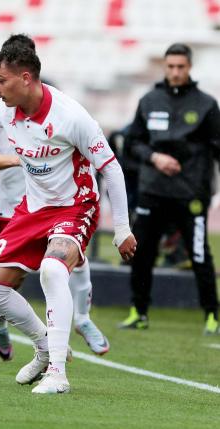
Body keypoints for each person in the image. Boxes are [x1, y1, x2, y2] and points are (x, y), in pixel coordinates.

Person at [0, 36, 136, 394]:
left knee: (52, 269)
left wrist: (121, 228)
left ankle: (57, 373)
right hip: (33, 208)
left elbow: (111, 169)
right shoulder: (0, 108)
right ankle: (45, 345)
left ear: (26, 77)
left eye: (1, 80)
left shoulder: (71, 116)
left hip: (76, 205)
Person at [0, 127, 110, 362]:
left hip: (53, 202)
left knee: (73, 258)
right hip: (10, 206)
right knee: (12, 279)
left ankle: (83, 319)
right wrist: (19, 159)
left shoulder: (50, 109)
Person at [118, 43, 220, 335]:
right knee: (142, 254)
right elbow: (133, 142)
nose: (175, 72)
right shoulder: (149, 100)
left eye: (181, 67)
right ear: (165, 67)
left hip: (192, 195)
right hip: (154, 191)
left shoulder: (206, 105)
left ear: (189, 67)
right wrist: (155, 157)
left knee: (200, 256)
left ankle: (212, 316)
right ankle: (139, 311)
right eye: (171, 66)